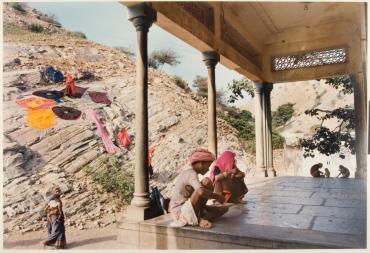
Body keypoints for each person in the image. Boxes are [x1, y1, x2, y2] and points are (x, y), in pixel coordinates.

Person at [169, 148, 228, 229]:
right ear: (200, 163)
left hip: (188, 208)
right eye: (208, 166)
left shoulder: (191, 173)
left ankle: (199, 214)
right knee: (203, 185)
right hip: (179, 212)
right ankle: (198, 219)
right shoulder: (191, 173)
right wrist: (217, 196)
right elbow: (200, 192)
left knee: (223, 209)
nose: (208, 169)